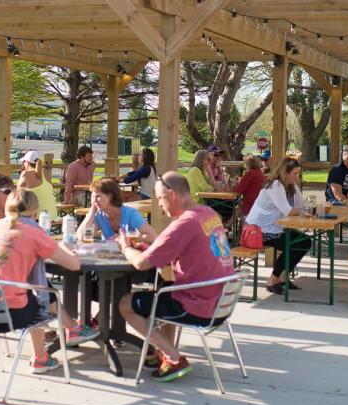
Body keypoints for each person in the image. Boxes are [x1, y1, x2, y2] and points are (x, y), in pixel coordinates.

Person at [117, 172, 234, 382]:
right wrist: (150, 247)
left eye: (160, 199)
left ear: (172, 195)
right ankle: (164, 350)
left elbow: (140, 263)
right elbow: (184, 249)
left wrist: (125, 247)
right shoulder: (208, 213)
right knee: (166, 288)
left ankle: (173, 357)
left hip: (198, 306)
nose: (160, 205)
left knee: (126, 303)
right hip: (222, 303)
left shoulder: (183, 224)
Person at [0, 189, 98, 374]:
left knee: (41, 287)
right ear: (36, 212)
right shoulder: (33, 232)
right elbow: (73, 265)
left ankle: (72, 328)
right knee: (40, 297)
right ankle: (40, 358)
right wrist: (67, 248)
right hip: (9, 314)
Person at [245, 157, 313, 294]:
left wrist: (307, 206)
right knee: (293, 244)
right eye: (295, 173)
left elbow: (302, 205)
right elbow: (289, 211)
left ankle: (282, 277)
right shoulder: (275, 185)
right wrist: (311, 210)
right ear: (285, 173)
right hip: (257, 231)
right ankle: (272, 280)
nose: (297, 176)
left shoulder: (290, 185)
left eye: (298, 173)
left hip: (275, 228)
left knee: (305, 241)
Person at [78, 178, 157, 243]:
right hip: (108, 258)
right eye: (92, 197)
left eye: (98, 196)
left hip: (130, 256)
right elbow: (83, 237)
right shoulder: (99, 216)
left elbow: (152, 236)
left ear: (110, 196)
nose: (94, 200)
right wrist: (92, 210)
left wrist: (126, 238)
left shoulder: (130, 214)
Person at [186, 150, 232, 220]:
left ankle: (224, 227)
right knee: (224, 211)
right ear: (201, 159)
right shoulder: (195, 170)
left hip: (203, 201)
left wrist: (209, 172)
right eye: (208, 159)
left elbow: (211, 184)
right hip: (195, 203)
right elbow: (206, 188)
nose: (210, 162)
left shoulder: (203, 171)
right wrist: (215, 187)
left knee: (227, 208)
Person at [17, 150, 57, 219]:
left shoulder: (26, 174)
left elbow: (17, 194)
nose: (23, 164)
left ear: (27, 162)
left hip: (38, 217)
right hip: (53, 215)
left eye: (24, 162)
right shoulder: (44, 174)